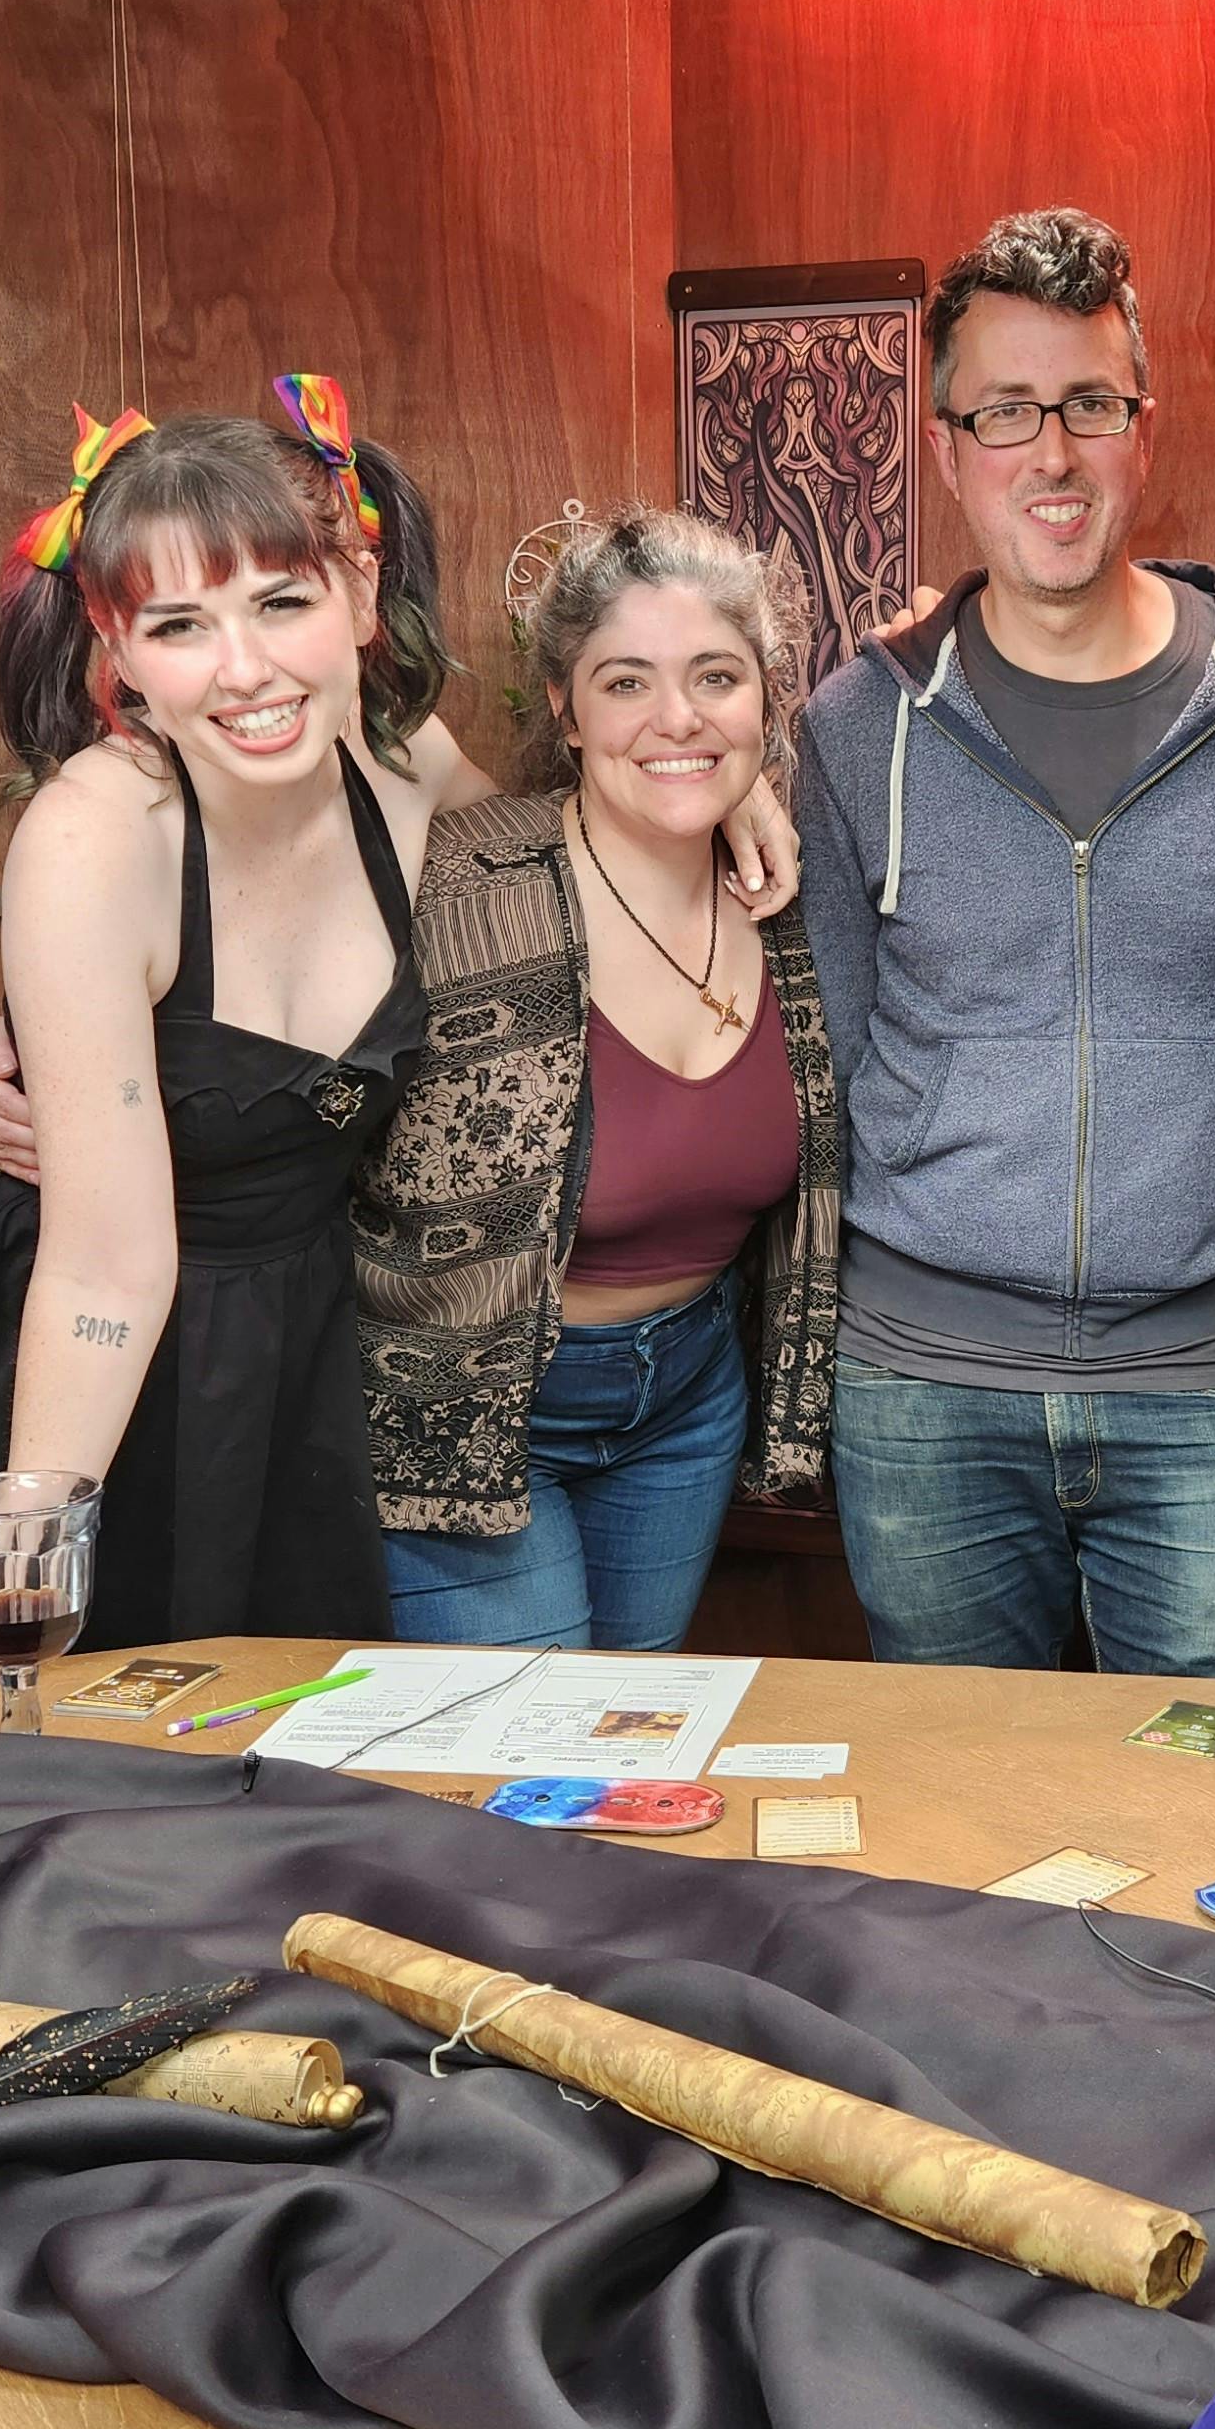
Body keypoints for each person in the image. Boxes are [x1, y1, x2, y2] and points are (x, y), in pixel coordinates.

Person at [0, 383, 480, 1690]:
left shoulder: (408, 765)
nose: (245, 669)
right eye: (179, 625)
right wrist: (15, 1585)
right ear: (118, 646)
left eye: (281, 601)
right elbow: (108, 1266)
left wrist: (732, 805)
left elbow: (575, 872)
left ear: (360, 590)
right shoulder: (95, 836)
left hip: (291, 1336)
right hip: (71, 1354)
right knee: (71, 1727)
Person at [795, 206, 1215, 1678]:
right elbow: (833, 1063)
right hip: (920, 1389)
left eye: (1088, 406)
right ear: (947, 449)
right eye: (1004, 411)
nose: (1049, 454)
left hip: (1206, 1380)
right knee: (953, 1795)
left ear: (1141, 427)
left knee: (1210, 1788)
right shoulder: (855, 728)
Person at [349, 505, 839, 1648]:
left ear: (764, 696)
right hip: (467, 1411)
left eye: (715, 677)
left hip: (686, 1402)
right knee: (527, 1738)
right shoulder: (457, 876)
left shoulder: (796, 906)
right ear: (564, 709)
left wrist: (736, 787)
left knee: (624, 1726)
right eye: (626, 683)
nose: (677, 716)